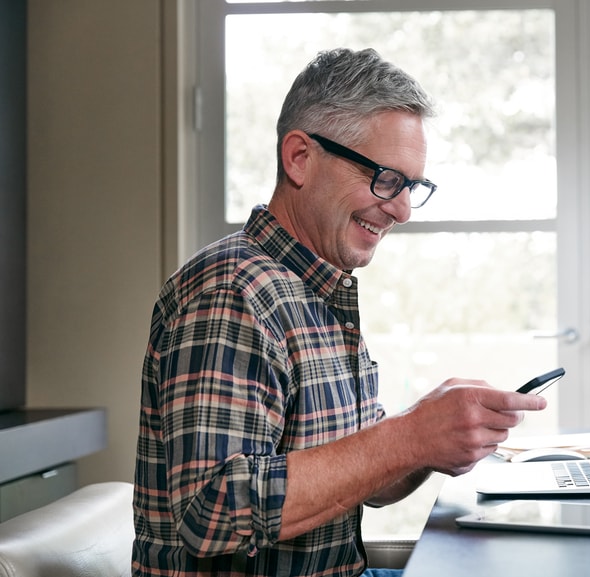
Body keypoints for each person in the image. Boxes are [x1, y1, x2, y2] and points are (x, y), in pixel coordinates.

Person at [132, 47, 547, 577]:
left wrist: (435, 437)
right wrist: (411, 435)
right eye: (385, 178)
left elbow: (362, 476)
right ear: (300, 158)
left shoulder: (319, 293)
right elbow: (211, 512)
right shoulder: (232, 291)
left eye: (411, 188)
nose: (399, 210)